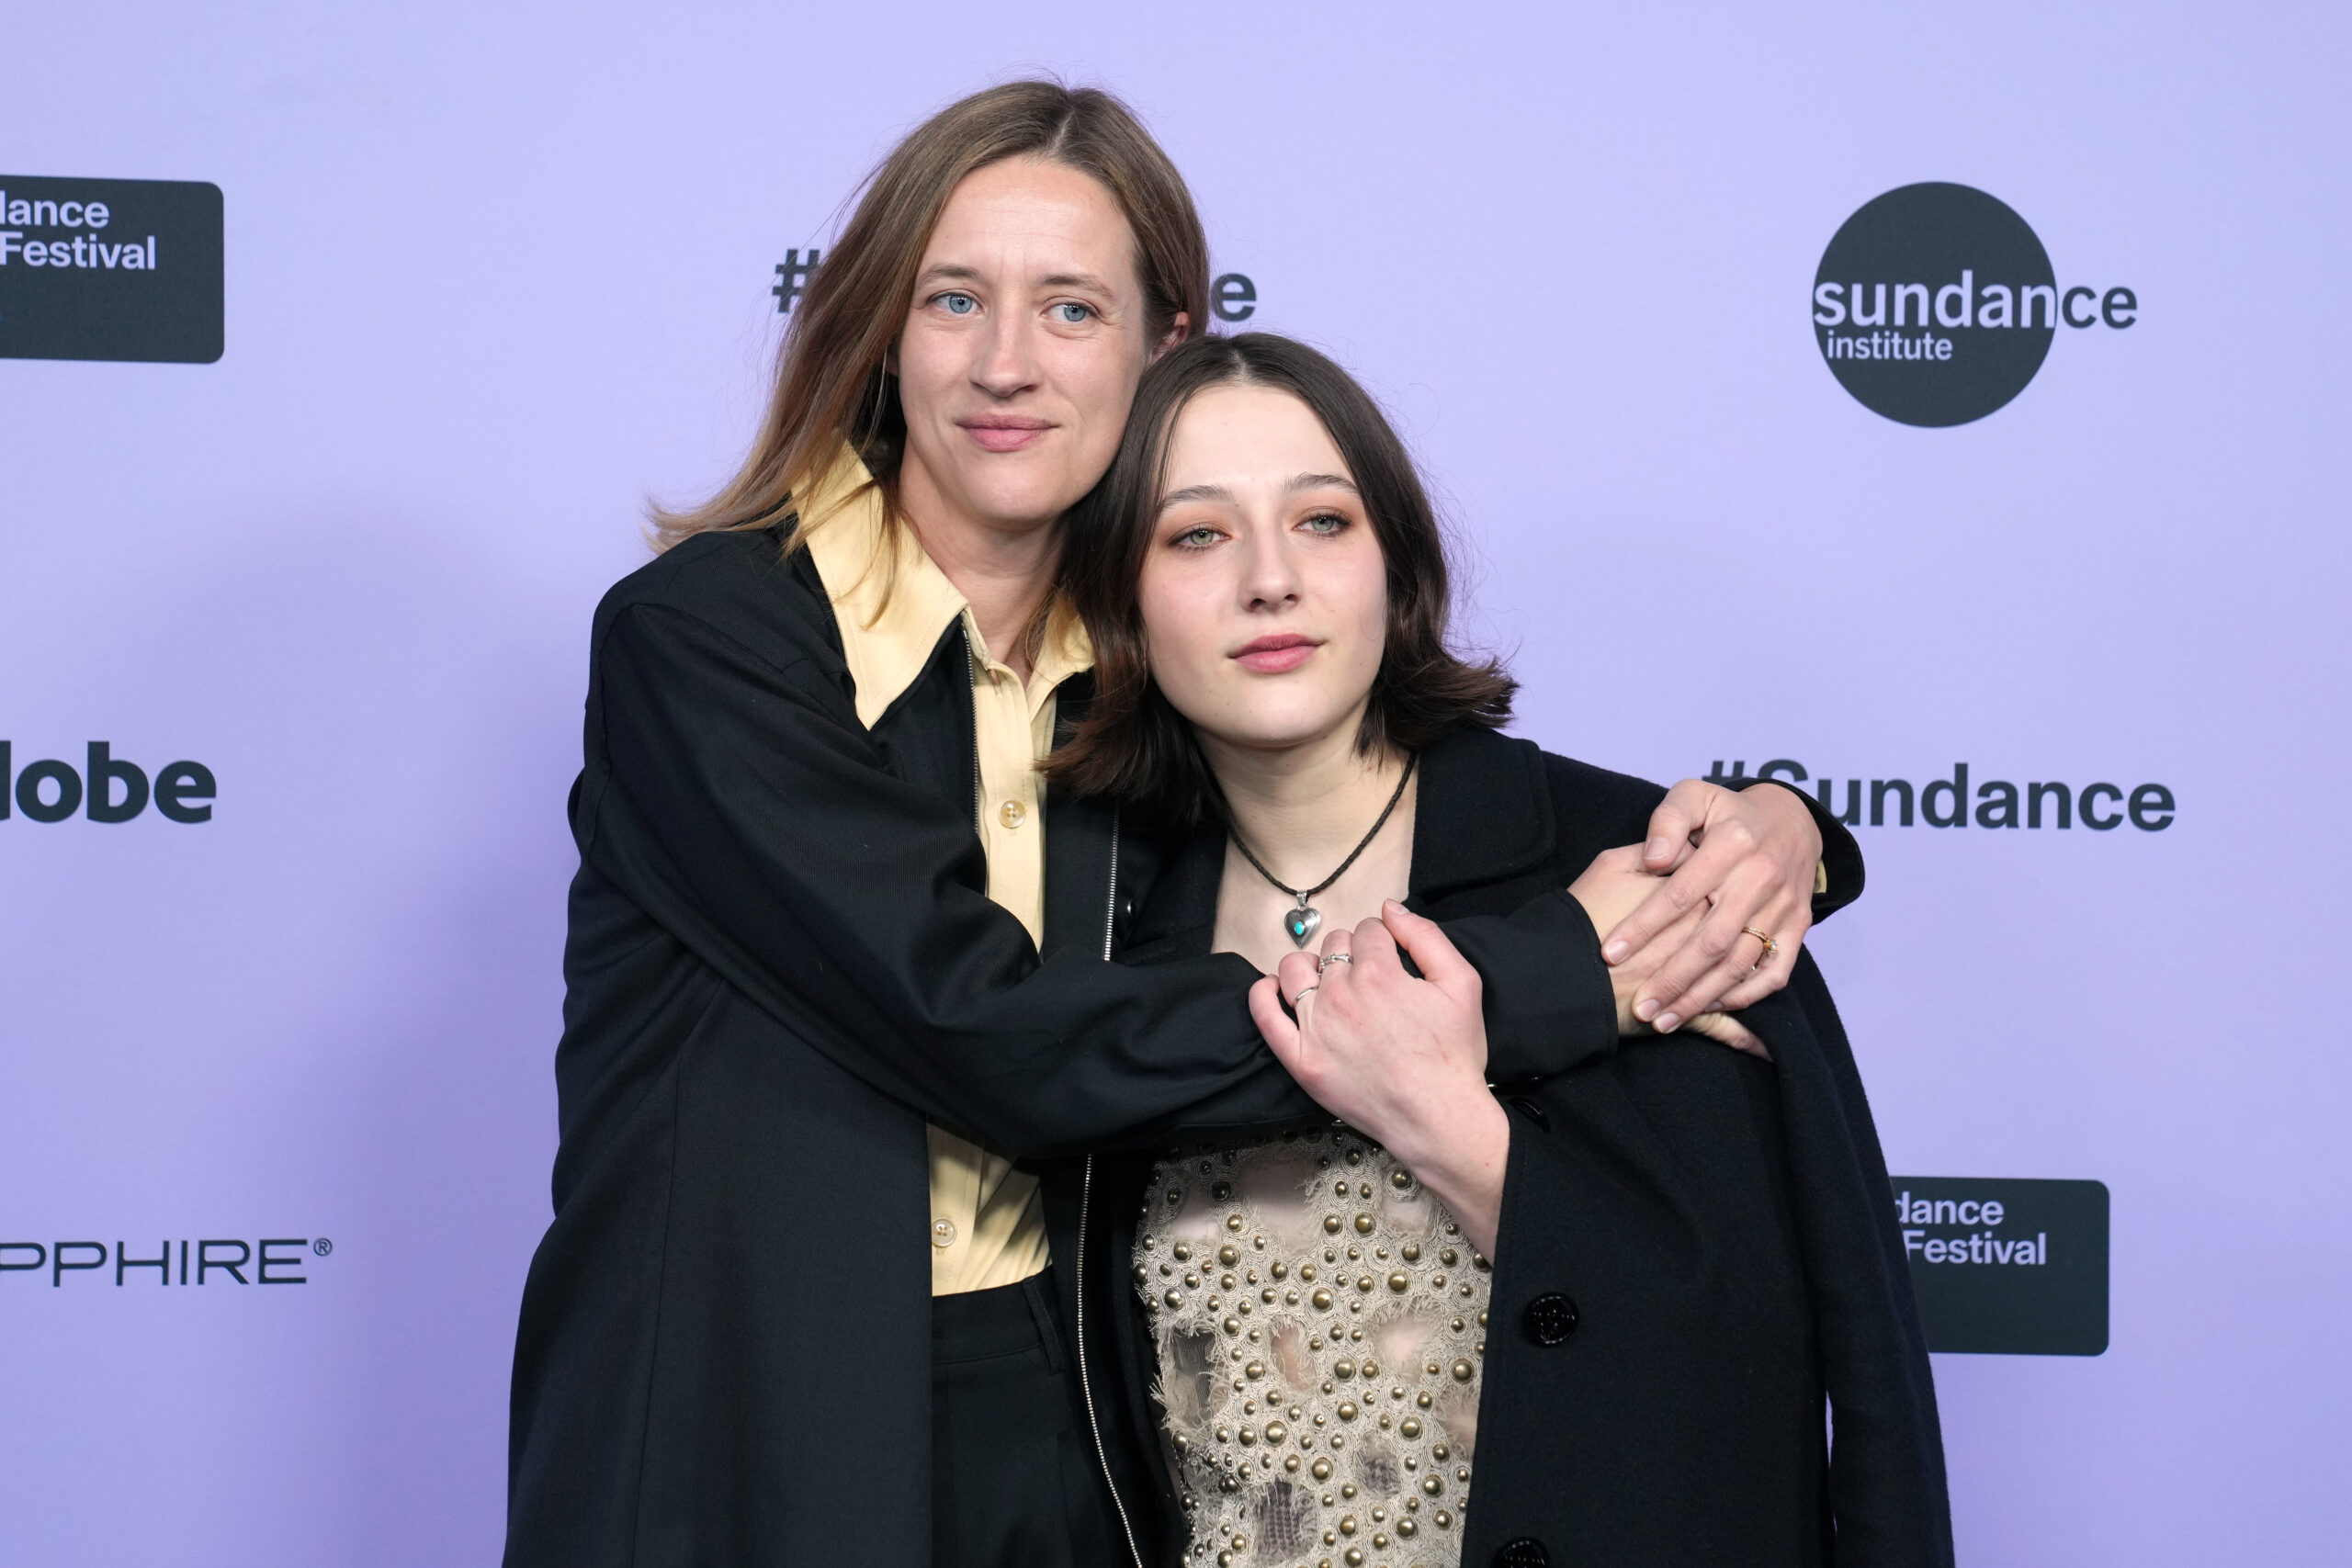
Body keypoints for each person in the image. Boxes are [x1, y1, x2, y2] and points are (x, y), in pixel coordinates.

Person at [504, 82, 1863, 1568]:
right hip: (751, 1435)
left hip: (1076, 1442)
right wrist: (1553, 974)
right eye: (954, 298)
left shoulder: (1148, 682)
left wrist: (1778, 826)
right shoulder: (706, 641)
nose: (1006, 364)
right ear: (880, 330)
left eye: (1071, 309)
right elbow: (992, 1034)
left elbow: (1401, 797)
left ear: (1161, 351)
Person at [1041, 332, 1951, 1568]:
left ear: (1396, 566)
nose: (1270, 581)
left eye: (1323, 522)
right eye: (1195, 534)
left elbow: (1790, 1363)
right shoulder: (1092, 914)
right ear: (1118, 595)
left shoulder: (1643, 869)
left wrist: (1456, 1136)